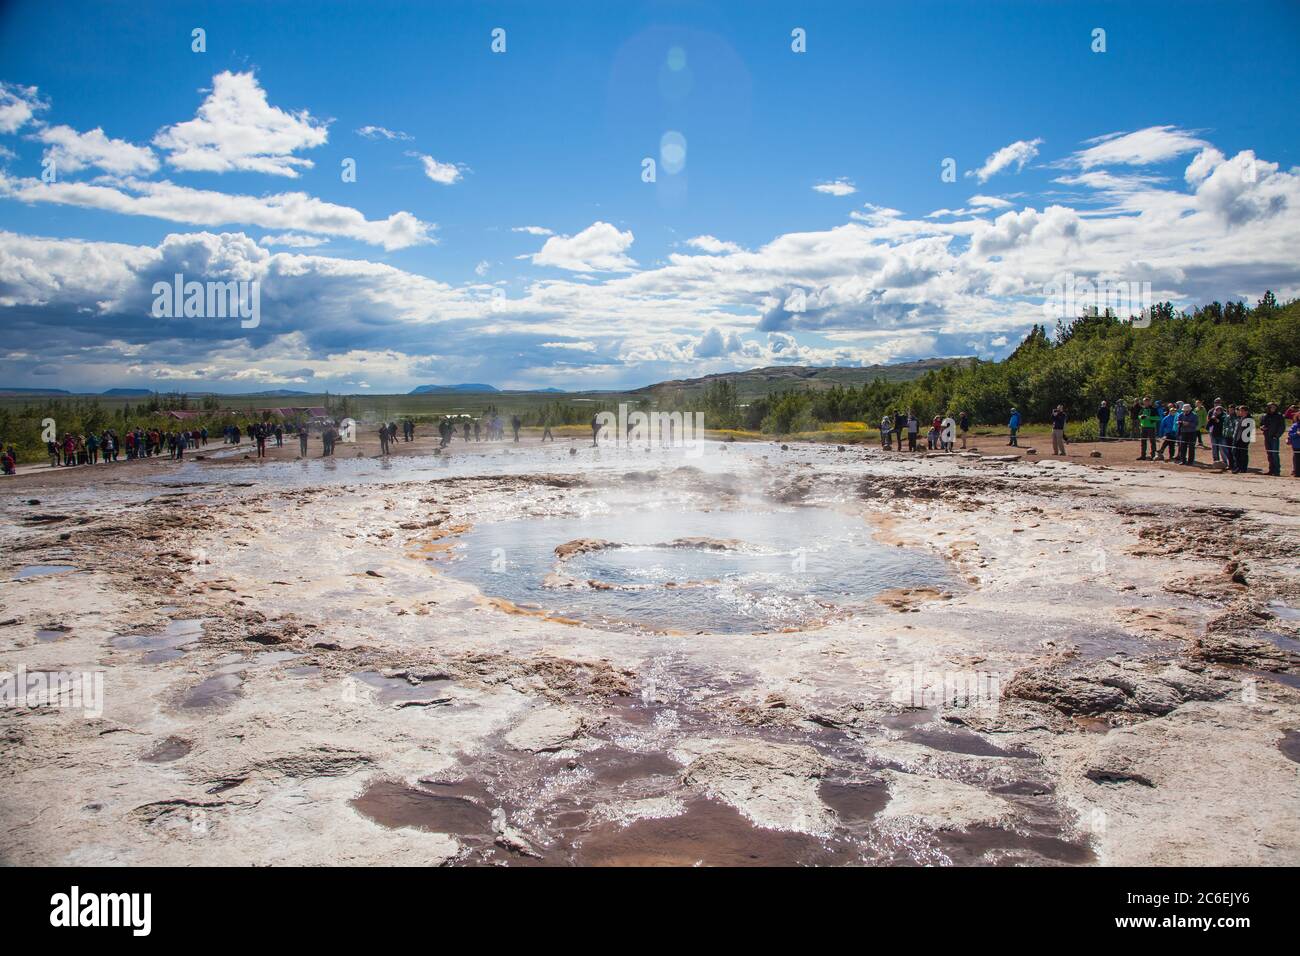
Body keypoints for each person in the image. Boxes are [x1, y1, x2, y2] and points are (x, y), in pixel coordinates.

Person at [1261, 402, 1286, 477]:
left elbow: (1282, 427)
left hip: (1274, 438)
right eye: (1271, 407)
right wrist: (1262, 427)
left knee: (1275, 454)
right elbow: (1261, 424)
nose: (1273, 408)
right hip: (1267, 437)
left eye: (1274, 407)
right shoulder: (1265, 416)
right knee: (1269, 454)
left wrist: (1277, 436)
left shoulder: (1279, 416)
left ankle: (1277, 471)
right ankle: (1271, 470)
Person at [1230, 406, 1253, 473]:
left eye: (1242, 411)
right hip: (1238, 439)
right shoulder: (1240, 419)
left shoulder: (1249, 419)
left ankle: (1243, 468)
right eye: (1240, 411)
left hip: (1244, 440)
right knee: (1237, 454)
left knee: (1243, 455)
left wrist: (1246, 440)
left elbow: (1250, 432)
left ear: (1246, 411)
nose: (1240, 412)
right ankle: (1237, 467)